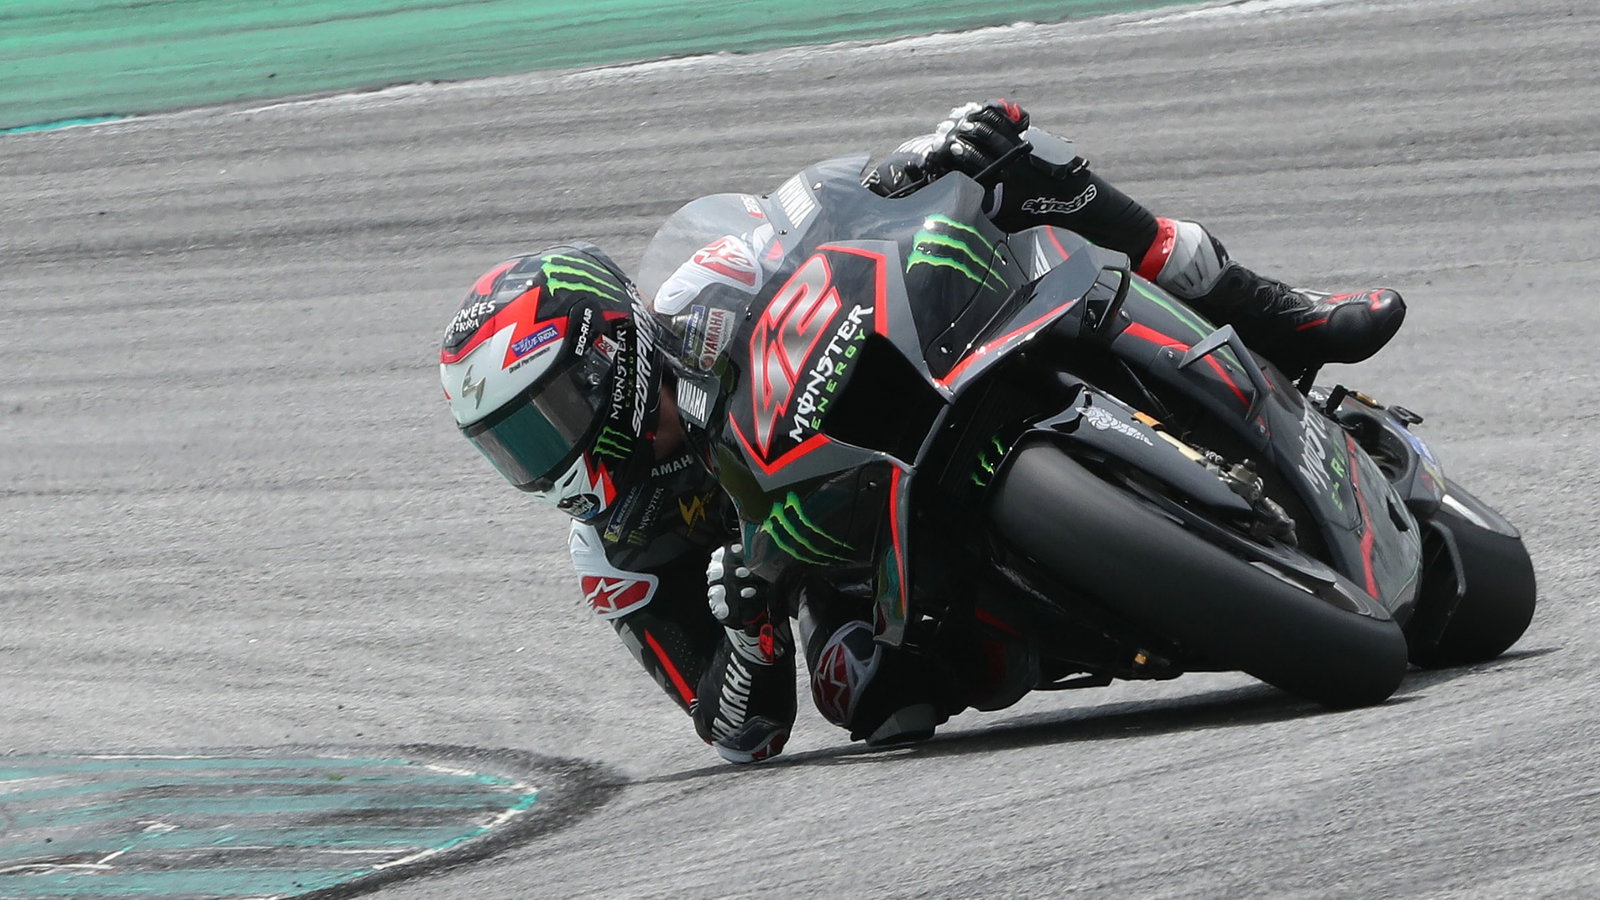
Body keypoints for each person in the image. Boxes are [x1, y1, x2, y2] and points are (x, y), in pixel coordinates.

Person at [438, 100, 1406, 764]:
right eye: (513, 444)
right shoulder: (617, 540)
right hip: (856, 572)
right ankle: (1066, 602)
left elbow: (816, 210)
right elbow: (734, 732)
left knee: (1006, 159)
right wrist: (754, 635)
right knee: (864, 698)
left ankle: (1273, 314)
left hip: (907, 385)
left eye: (546, 416)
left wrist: (917, 165)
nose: (547, 454)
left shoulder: (701, 291)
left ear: (609, 349)